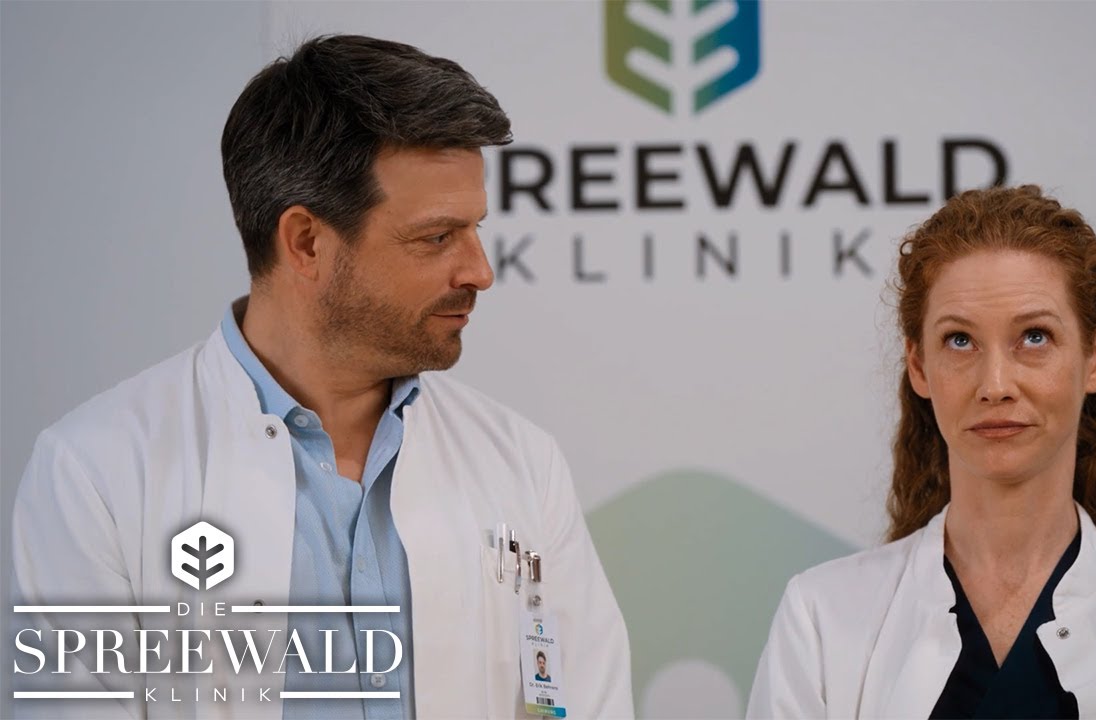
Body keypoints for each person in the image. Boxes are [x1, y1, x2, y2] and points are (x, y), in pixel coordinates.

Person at [11, 34, 632, 719]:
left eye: (476, 229)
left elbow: (590, 702)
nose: (480, 271)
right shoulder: (96, 472)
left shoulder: (521, 463)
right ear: (306, 242)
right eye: (436, 237)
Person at [746, 185, 1096, 718]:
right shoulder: (820, 619)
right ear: (919, 366)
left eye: (1034, 337)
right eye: (960, 340)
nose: (996, 385)